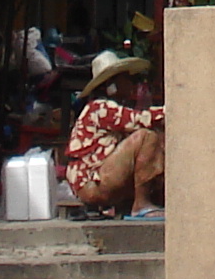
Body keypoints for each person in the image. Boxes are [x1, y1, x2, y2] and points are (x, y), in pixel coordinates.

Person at [63, 50, 163, 216]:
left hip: (91, 181)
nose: (131, 83)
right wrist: (172, 110)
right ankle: (141, 204)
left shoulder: (104, 108)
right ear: (113, 84)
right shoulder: (100, 108)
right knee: (146, 137)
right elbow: (140, 119)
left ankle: (129, 205)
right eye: (126, 78)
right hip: (92, 183)